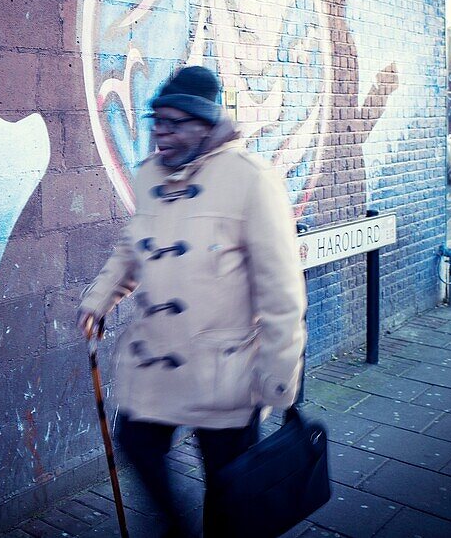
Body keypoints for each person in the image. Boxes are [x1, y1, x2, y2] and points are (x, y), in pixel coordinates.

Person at [77, 65, 307, 537]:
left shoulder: (251, 180)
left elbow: (282, 292)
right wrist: (100, 298)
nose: (160, 131)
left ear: (205, 126)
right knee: (136, 444)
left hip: (224, 372)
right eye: (156, 120)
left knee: (227, 494)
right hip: (156, 364)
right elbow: (132, 245)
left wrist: (279, 383)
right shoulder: (150, 178)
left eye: (174, 122)